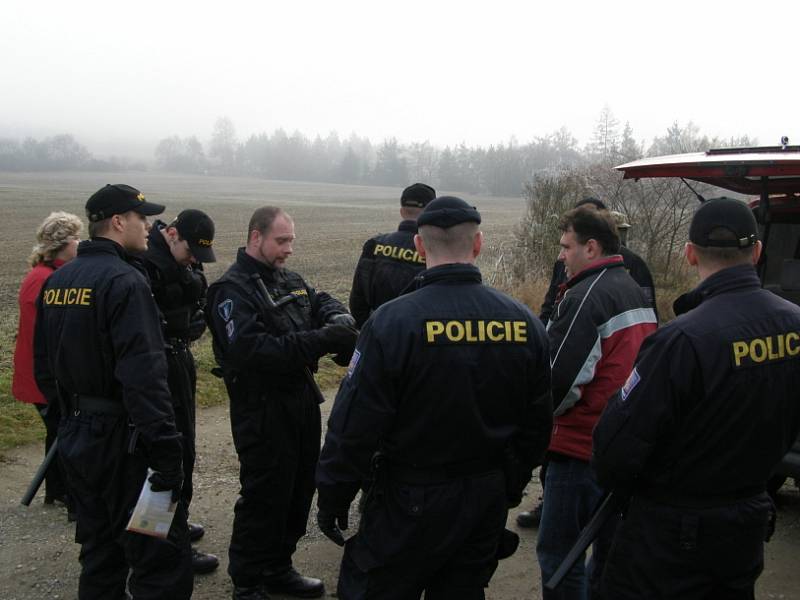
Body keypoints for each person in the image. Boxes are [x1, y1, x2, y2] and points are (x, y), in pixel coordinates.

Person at [317, 196, 553, 599]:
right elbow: (537, 425)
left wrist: (334, 493)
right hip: (484, 495)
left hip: (408, 497)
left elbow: (355, 422)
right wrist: (506, 486)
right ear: (477, 245)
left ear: (420, 247)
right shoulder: (525, 322)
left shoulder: (392, 323)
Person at [593, 197, 800, 599]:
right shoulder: (793, 325)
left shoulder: (681, 340)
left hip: (672, 533)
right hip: (747, 519)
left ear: (689, 254)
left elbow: (615, 449)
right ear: (757, 252)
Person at [33, 184, 193, 599]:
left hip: (78, 436)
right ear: (119, 222)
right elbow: (144, 375)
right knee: (158, 557)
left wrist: (65, 423)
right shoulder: (125, 281)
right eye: (142, 219)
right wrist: (166, 453)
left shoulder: (59, 280)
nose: (148, 227)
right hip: (128, 445)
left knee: (100, 553)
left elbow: (45, 368)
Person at [206, 206, 358, 600]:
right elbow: (253, 351)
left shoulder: (288, 278)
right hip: (261, 406)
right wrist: (325, 340)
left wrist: (338, 318)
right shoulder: (231, 290)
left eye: (291, 240)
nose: (289, 248)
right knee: (265, 494)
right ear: (255, 237)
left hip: (301, 399)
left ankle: (278, 566)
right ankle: (248, 580)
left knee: (299, 487)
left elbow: (318, 300)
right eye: (281, 240)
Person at [535, 205, 656, 600]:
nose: (560, 256)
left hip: (578, 449)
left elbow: (560, 383)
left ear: (591, 247)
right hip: (622, 447)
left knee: (560, 557)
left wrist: (529, 429)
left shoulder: (587, 295)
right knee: (607, 558)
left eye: (566, 246)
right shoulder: (631, 288)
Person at [139, 209, 219, 574]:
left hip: (179, 360)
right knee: (167, 453)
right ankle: (163, 543)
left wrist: (193, 322)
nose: (193, 261)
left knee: (184, 449)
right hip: (157, 366)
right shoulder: (145, 263)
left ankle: (174, 525)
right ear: (171, 234)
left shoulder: (182, 264)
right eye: (190, 252)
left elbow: (192, 302)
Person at [12, 211, 82, 517]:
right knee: (63, 431)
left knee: (57, 431)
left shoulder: (41, 275)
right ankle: (65, 491)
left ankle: (56, 490)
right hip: (44, 376)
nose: (80, 243)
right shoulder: (48, 280)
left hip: (37, 373)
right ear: (62, 243)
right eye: (76, 238)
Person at [537, 198, 657, 325]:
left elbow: (647, 311)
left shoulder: (633, 264)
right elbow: (549, 307)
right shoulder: (563, 264)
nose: (561, 256)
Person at [349, 182, 436, 327]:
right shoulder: (434, 251)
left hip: (376, 331)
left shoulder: (374, 245)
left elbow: (358, 300)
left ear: (401, 212)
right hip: (417, 336)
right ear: (431, 214)